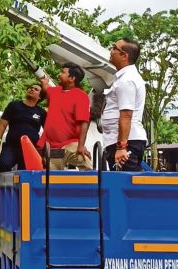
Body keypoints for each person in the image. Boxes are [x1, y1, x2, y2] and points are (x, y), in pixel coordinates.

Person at [102, 38, 147, 171]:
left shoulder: (127, 80)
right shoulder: (124, 78)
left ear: (124, 55)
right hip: (123, 141)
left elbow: (126, 115)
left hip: (126, 143)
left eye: (114, 48)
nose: (111, 51)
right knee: (124, 183)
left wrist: (122, 147)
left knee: (125, 184)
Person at [36, 64, 91, 170]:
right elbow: (46, 88)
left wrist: (81, 145)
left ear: (72, 78)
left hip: (71, 144)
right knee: (51, 181)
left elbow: (84, 122)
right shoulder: (55, 91)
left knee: (87, 165)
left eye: (63, 72)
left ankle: (96, 186)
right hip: (51, 147)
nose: (59, 74)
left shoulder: (81, 96)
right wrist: (44, 82)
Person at [0, 83, 46, 172]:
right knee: (3, 165)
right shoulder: (14, 105)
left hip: (31, 149)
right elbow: (2, 125)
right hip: (11, 146)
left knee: (25, 175)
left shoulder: (41, 112)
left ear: (40, 97)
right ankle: (2, 186)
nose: (31, 89)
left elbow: (47, 131)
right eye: (30, 87)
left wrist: (43, 151)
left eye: (36, 89)